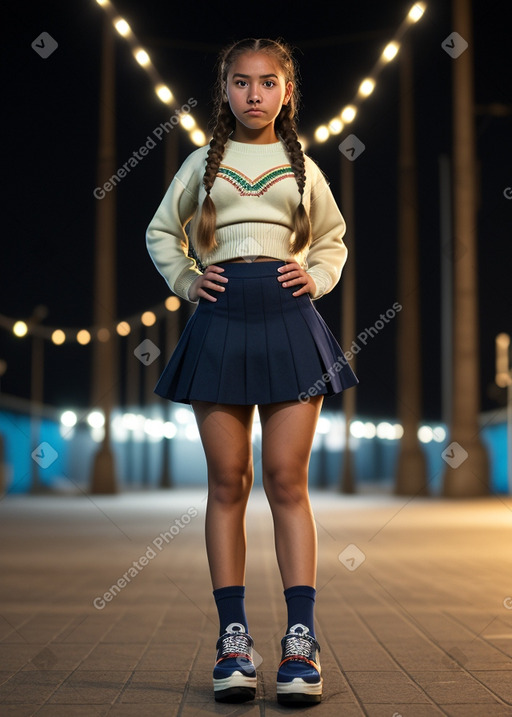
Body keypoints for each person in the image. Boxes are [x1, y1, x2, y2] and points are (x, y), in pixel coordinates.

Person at [146, 37, 358, 706]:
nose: (255, 94)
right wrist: (186, 279)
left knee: (286, 480)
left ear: (286, 92)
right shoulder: (202, 166)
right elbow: (160, 232)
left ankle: (302, 639)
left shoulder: (304, 168)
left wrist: (317, 274)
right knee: (227, 482)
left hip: (291, 321)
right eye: (242, 82)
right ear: (226, 91)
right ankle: (233, 639)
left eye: (268, 82)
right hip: (221, 321)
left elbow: (333, 239)